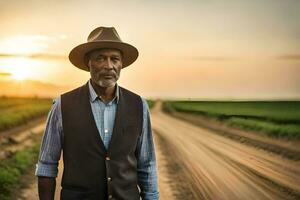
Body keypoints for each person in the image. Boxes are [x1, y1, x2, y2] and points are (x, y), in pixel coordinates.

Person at [35, 26, 159, 200]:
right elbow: (46, 165)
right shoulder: (63, 105)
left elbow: (147, 165)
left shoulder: (139, 105)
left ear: (121, 64)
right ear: (88, 63)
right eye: (100, 58)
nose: (109, 66)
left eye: (114, 59)